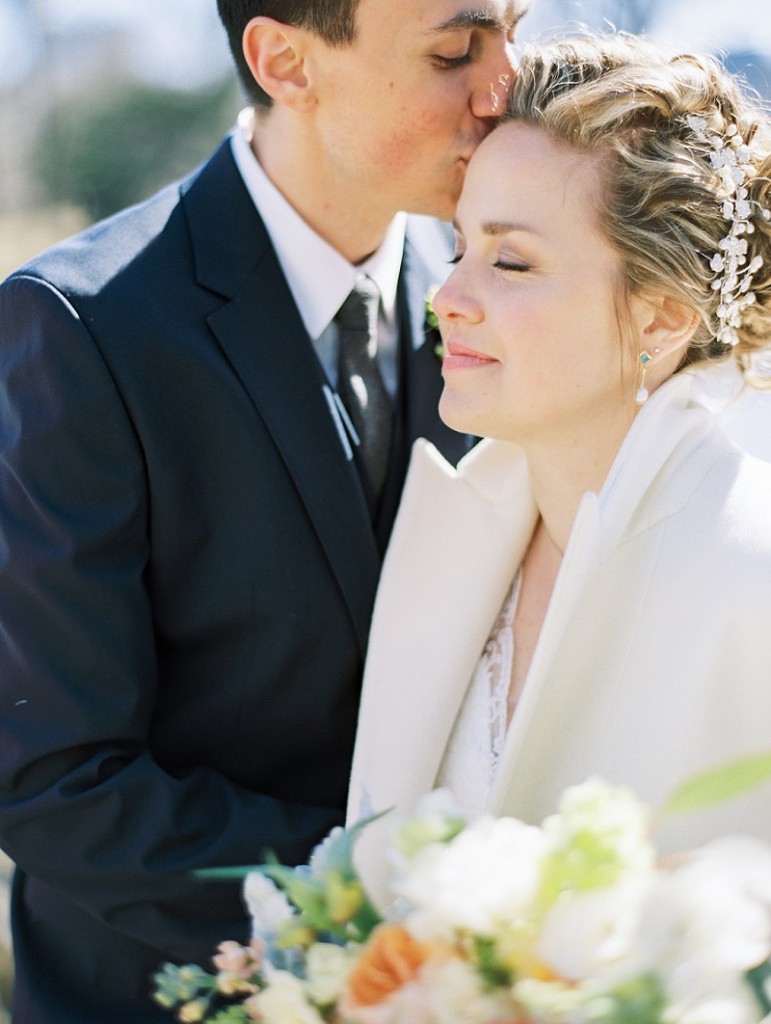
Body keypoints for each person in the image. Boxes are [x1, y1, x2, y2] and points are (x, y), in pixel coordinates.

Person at [0, 1, 528, 1020]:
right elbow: (53, 775)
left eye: (516, 29)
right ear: (285, 60)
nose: (507, 82)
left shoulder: (504, 308)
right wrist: (396, 910)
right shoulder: (83, 328)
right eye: (457, 49)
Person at [347, 33, 771, 889]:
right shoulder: (451, 524)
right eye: (458, 246)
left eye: (510, 260)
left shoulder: (748, 577)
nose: (447, 297)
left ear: (660, 318)